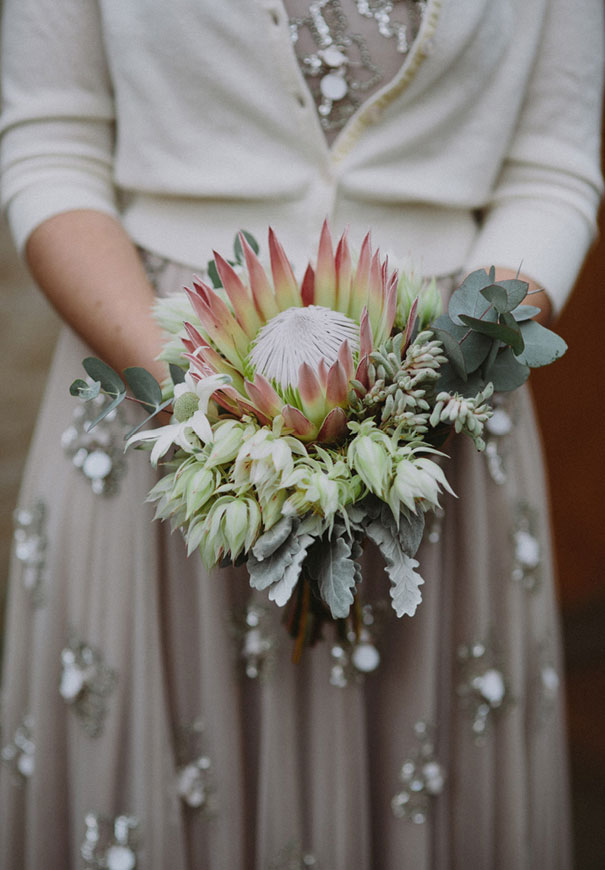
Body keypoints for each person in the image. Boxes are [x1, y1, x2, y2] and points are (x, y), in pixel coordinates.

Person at [0, 1, 602, 867]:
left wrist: (416, 395)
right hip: (153, 388)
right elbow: (52, 147)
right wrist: (204, 409)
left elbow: (549, 172)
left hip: (436, 412)